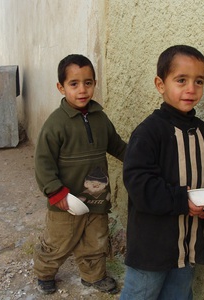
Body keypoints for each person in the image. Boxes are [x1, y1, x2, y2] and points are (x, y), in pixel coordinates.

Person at [120, 45, 204, 300]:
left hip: (187, 246)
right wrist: (182, 201)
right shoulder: (148, 132)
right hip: (151, 247)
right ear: (160, 84)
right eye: (181, 80)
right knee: (141, 295)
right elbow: (139, 184)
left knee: (178, 295)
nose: (191, 89)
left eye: (198, 81)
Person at [33, 54, 126, 295]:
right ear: (61, 87)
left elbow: (116, 146)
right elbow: (43, 162)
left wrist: (138, 159)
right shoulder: (56, 124)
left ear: (95, 83)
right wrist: (55, 192)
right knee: (57, 242)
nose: (82, 90)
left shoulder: (100, 118)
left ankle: (93, 276)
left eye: (88, 83)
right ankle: (44, 273)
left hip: (96, 197)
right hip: (66, 201)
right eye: (74, 84)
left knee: (95, 241)